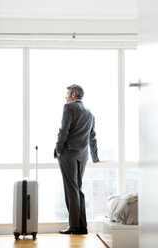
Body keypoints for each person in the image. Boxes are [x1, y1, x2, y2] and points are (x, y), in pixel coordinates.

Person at [54, 84, 100, 235]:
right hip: (83, 155)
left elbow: (63, 130)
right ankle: (82, 226)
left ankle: (74, 226)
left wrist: (58, 149)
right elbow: (92, 137)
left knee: (71, 189)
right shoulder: (89, 112)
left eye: (67, 93)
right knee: (77, 189)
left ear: (73, 95)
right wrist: (95, 158)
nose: (65, 96)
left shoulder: (69, 108)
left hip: (69, 154)